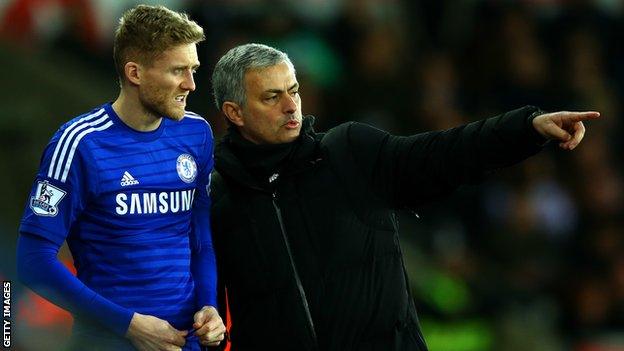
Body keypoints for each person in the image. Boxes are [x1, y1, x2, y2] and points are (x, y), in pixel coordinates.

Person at [208, 43, 599, 351]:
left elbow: (445, 153)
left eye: (293, 90)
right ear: (235, 113)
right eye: (272, 97)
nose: (292, 105)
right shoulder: (217, 199)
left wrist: (526, 128)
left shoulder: (348, 153)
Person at [17, 5, 225, 350]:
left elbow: (200, 239)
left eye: (193, 70)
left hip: (186, 343)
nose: (190, 84)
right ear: (135, 73)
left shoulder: (196, 134)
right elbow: (32, 261)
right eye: (178, 71)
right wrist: (129, 326)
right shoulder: (81, 144)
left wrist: (210, 306)